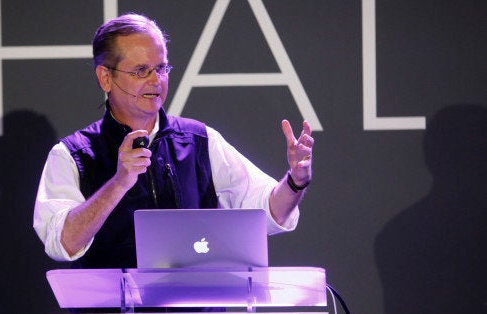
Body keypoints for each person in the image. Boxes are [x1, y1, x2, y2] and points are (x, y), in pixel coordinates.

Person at [33, 13, 314, 269]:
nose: (156, 80)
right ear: (105, 77)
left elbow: (267, 211)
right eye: (141, 70)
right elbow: (62, 242)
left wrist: (295, 181)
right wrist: (119, 182)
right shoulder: (73, 155)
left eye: (162, 68)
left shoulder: (200, 141)